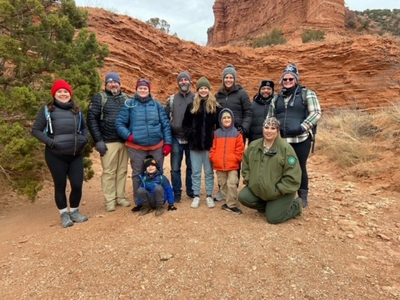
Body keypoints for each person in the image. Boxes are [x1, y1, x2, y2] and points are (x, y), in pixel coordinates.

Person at [32, 80, 89, 228]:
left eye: (66, 92)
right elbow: (36, 130)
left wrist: (84, 139)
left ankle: (75, 211)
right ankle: (64, 213)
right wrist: (51, 142)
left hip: (75, 154)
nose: (63, 94)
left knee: (77, 185)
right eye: (60, 92)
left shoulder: (77, 110)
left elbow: (84, 128)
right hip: (55, 155)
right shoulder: (47, 110)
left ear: (70, 94)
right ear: (54, 94)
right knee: (60, 185)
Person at [268, 63, 322, 208]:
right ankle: (283, 194)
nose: (287, 82)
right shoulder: (276, 98)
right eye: (285, 79)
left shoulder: (307, 94)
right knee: (281, 167)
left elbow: (316, 113)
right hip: (282, 140)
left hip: (301, 138)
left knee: (299, 166)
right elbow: (270, 117)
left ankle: (302, 196)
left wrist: (302, 128)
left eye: (291, 79)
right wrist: (271, 132)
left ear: (296, 79)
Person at [115, 78, 172, 211]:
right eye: (140, 88)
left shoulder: (157, 105)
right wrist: (129, 136)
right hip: (137, 147)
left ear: (149, 90)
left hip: (156, 145)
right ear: (136, 89)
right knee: (137, 174)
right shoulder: (129, 104)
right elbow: (119, 123)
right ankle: (140, 202)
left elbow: (165, 125)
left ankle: (159, 200)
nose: (142, 90)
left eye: (145, 88)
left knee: (158, 172)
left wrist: (167, 143)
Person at [238, 117, 303, 224]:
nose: (269, 131)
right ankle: (270, 207)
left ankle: (296, 206)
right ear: (262, 128)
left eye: (273, 128)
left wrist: (278, 190)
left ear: (277, 131)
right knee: (243, 197)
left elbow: (293, 175)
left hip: (281, 192)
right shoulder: (254, 146)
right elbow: (246, 165)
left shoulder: (286, 149)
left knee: (273, 219)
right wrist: (250, 181)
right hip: (261, 190)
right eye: (266, 127)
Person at [87, 72, 131, 212]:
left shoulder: (126, 98)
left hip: (124, 142)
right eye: (110, 82)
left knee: (122, 170)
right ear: (105, 84)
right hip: (107, 141)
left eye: (115, 82)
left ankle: (121, 197)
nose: (113, 84)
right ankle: (110, 200)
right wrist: (98, 140)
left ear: (120, 83)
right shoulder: (99, 98)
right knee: (109, 172)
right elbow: (91, 119)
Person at [214, 64, 252, 201]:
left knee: (235, 161)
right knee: (221, 160)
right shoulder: (218, 95)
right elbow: (214, 113)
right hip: (221, 134)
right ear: (223, 79)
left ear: (234, 79)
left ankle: (233, 190)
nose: (228, 80)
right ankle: (222, 189)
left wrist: (244, 128)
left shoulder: (242, 94)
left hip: (237, 134)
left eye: (231, 77)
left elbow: (248, 112)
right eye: (226, 77)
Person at [182, 77, 221, 209]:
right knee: (196, 172)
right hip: (195, 145)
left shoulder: (215, 106)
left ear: (209, 90)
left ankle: (209, 195)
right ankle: (197, 195)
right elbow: (185, 125)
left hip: (210, 145)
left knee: (209, 172)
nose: (203, 90)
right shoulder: (191, 106)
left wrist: (215, 138)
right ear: (197, 90)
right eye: (201, 88)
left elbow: (221, 125)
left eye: (205, 88)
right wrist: (192, 135)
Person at [164, 72, 195, 202]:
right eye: (181, 80)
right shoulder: (171, 100)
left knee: (191, 167)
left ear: (189, 82)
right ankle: (177, 192)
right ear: (178, 83)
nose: (183, 82)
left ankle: (191, 190)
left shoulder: (196, 98)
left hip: (191, 139)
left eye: (186, 80)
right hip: (176, 138)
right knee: (175, 168)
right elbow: (165, 119)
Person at [210, 108, 245, 214]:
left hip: (232, 165)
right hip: (219, 164)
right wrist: (213, 157)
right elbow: (213, 147)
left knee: (232, 183)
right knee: (223, 184)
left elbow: (240, 149)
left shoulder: (237, 134)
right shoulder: (216, 133)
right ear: (220, 120)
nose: (226, 119)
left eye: (228, 117)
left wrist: (236, 158)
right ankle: (228, 201)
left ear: (232, 119)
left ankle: (231, 204)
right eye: (224, 118)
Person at [248, 80, 275, 144]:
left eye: (268, 89)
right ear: (259, 90)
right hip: (255, 142)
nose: (266, 91)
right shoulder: (252, 105)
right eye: (263, 88)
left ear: (272, 91)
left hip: (272, 142)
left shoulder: (276, 104)